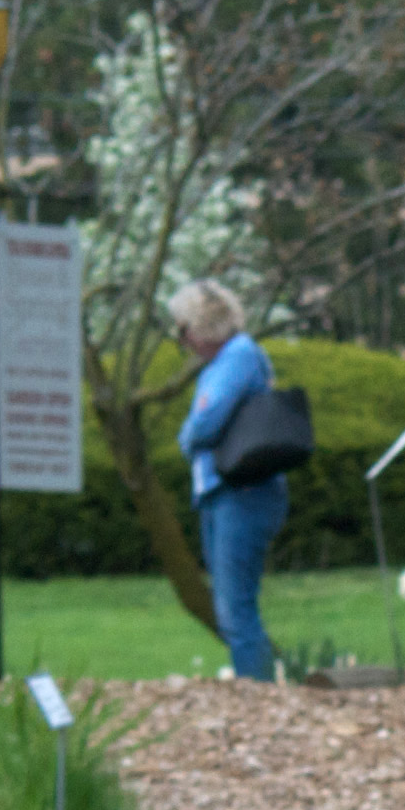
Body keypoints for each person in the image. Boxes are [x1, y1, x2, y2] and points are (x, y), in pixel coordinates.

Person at [167, 279, 289, 680]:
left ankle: (257, 699)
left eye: (182, 330)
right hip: (229, 493)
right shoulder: (229, 360)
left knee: (236, 611)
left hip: (242, 493)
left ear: (201, 327)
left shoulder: (237, 356)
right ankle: (258, 691)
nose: (181, 340)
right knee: (232, 608)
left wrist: (186, 437)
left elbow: (206, 422)